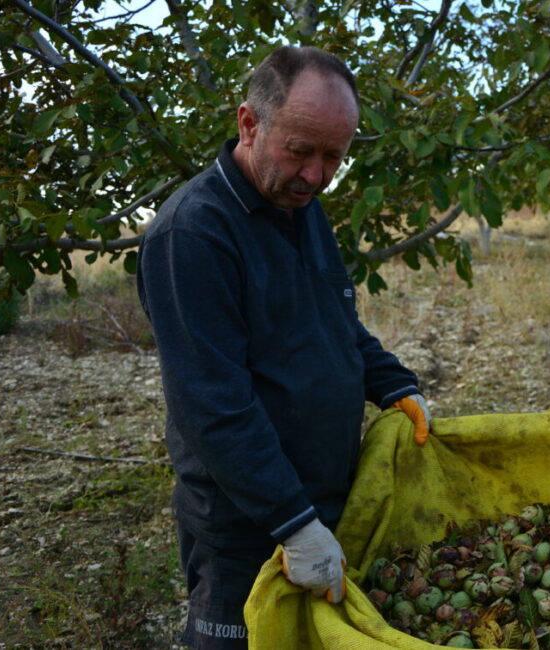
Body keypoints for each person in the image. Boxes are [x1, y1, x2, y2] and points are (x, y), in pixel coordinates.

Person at [137, 46, 431, 649]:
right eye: (301, 151)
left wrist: (393, 383)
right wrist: (293, 524)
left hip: (324, 500)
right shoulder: (193, 233)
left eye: (334, 157)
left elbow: (336, 321)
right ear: (250, 123)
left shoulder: (301, 207)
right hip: (245, 525)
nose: (318, 175)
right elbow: (212, 402)